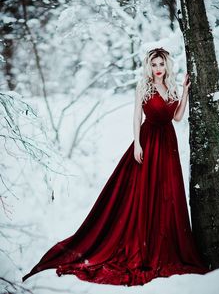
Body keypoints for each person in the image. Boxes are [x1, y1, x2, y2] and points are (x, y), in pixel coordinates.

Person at [22, 47, 209, 286]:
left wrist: (184, 92)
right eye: (154, 65)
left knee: (167, 194)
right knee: (142, 193)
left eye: (161, 64)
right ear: (149, 67)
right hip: (149, 142)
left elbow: (178, 118)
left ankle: (163, 242)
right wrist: (137, 145)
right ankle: (141, 241)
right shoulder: (144, 87)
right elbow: (136, 118)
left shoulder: (171, 86)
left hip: (168, 144)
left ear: (167, 66)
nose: (158, 69)